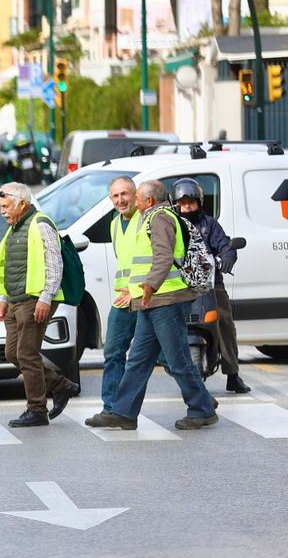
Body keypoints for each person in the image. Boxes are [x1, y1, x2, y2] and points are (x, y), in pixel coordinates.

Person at [89, 180, 218, 431]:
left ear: (148, 200)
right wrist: (140, 290)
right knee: (138, 359)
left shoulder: (159, 218)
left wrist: (150, 285)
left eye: (136, 197)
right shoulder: (149, 218)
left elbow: (163, 256)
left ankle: (202, 408)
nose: (133, 202)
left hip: (165, 300)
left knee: (177, 357)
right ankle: (124, 412)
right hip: (150, 302)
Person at [0, 182, 78, 428]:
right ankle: (61, 386)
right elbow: (12, 267)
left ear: (22, 203)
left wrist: (46, 297)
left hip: (34, 299)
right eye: (1, 207)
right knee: (12, 353)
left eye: (6, 206)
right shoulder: (15, 227)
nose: (2, 212)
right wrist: (4, 299)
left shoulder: (40, 224)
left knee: (26, 353)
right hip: (15, 300)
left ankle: (37, 409)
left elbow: (54, 262)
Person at [173, 177, 249, 394]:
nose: (187, 207)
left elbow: (226, 245)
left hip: (210, 284)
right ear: (176, 203)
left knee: (225, 323)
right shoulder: (171, 224)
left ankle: (233, 375)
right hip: (179, 285)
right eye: (183, 203)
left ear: (199, 202)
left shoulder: (210, 225)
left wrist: (227, 257)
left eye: (191, 202)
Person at [99, 176, 142, 413]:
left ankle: (201, 399)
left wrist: (135, 290)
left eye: (124, 194)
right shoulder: (115, 223)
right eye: (115, 196)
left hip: (147, 297)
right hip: (123, 300)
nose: (120, 200)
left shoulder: (145, 219)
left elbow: (156, 260)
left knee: (170, 356)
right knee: (113, 352)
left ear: (135, 195)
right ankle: (111, 408)